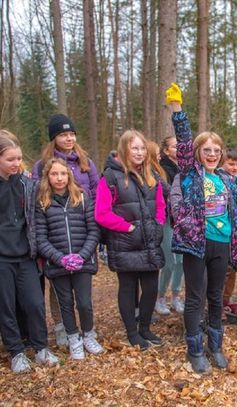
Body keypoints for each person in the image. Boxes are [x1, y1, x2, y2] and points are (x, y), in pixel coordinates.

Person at [166, 83, 237, 374]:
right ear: (197, 152)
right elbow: (182, 142)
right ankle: (194, 349)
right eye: (207, 150)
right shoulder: (190, 175)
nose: (212, 154)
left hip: (222, 245)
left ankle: (215, 345)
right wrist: (178, 111)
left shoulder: (227, 179)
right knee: (196, 297)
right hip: (197, 244)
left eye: (216, 150)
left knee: (216, 297)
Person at [32, 113, 100, 347]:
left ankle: (87, 333)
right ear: (54, 138)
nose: (69, 138)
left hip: (81, 223)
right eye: (63, 134)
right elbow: (36, 196)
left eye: (72, 134)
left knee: (83, 296)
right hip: (56, 233)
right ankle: (64, 328)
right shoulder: (42, 165)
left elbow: (95, 188)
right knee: (60, 291)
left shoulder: (85, 161)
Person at [95, 129, 166, 351]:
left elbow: (161, 204)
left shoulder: (151, 175)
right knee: (128, 288)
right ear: (125, 149)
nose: (139, 152)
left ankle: (144, 327)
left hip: (149, 241)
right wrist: (128, 228)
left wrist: (158, 224)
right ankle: (132, 333)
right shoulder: (110, 176)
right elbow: (101, 213)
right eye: (135, 148)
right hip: (125, 242)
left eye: (143, 148)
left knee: (151, 287)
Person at [0, 130, 59, 373]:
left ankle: (41, 348)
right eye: (10, 159)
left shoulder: (26, 183)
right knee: (7, 307)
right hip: (2, 260)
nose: (16, 164)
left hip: (26, 256)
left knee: (34, 304)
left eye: (19, 158)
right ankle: (16, 352)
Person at [154, 135, 185, 315]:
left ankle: (175, 296)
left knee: (181, 260)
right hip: (167, 218)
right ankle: (160, 297)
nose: (179, 149)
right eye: (175, 146)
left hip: (184, 220)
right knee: (169, 261)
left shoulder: (186, 168)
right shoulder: (162, 170)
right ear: (166, 150)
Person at [219, 148, 237, 319]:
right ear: (223, 162)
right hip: (224, 227)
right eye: (231, 164)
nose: (234, 167)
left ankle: (226, 300)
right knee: (224, 269)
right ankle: (217, 303)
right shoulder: (221, 178)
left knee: (234, 266)